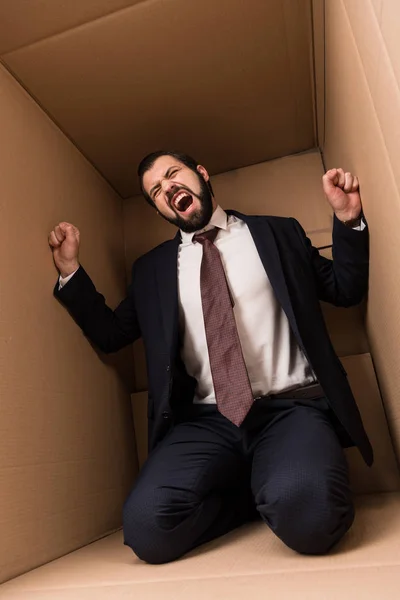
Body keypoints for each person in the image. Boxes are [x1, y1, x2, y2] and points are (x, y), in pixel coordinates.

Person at [49, 150, 372, 564]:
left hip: (290, 409)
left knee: (310, 519)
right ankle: (247, 496)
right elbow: (113, 334)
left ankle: (277, 484)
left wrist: (349, 220)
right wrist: (70, 271)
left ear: (201, 173)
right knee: (148, 529)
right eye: (156, 191)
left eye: (172, 175)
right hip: (207, 422)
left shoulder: (276, 233)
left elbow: (345, 290)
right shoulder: (152, 270)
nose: (167, 188)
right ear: (160, 209)